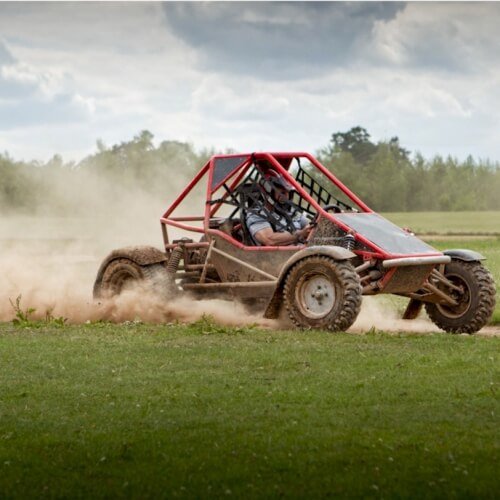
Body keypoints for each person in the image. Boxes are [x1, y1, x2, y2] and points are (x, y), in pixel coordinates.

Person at [245, 169, 312, 246]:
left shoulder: (290, 211)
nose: (286, 196)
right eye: (282, 192)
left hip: (304, 253)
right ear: (268, 191)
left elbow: (309, 225)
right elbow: (269, 239)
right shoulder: (256, 214)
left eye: (288, 192)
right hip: (280, 256)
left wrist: (312, 227)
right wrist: (301, 234)